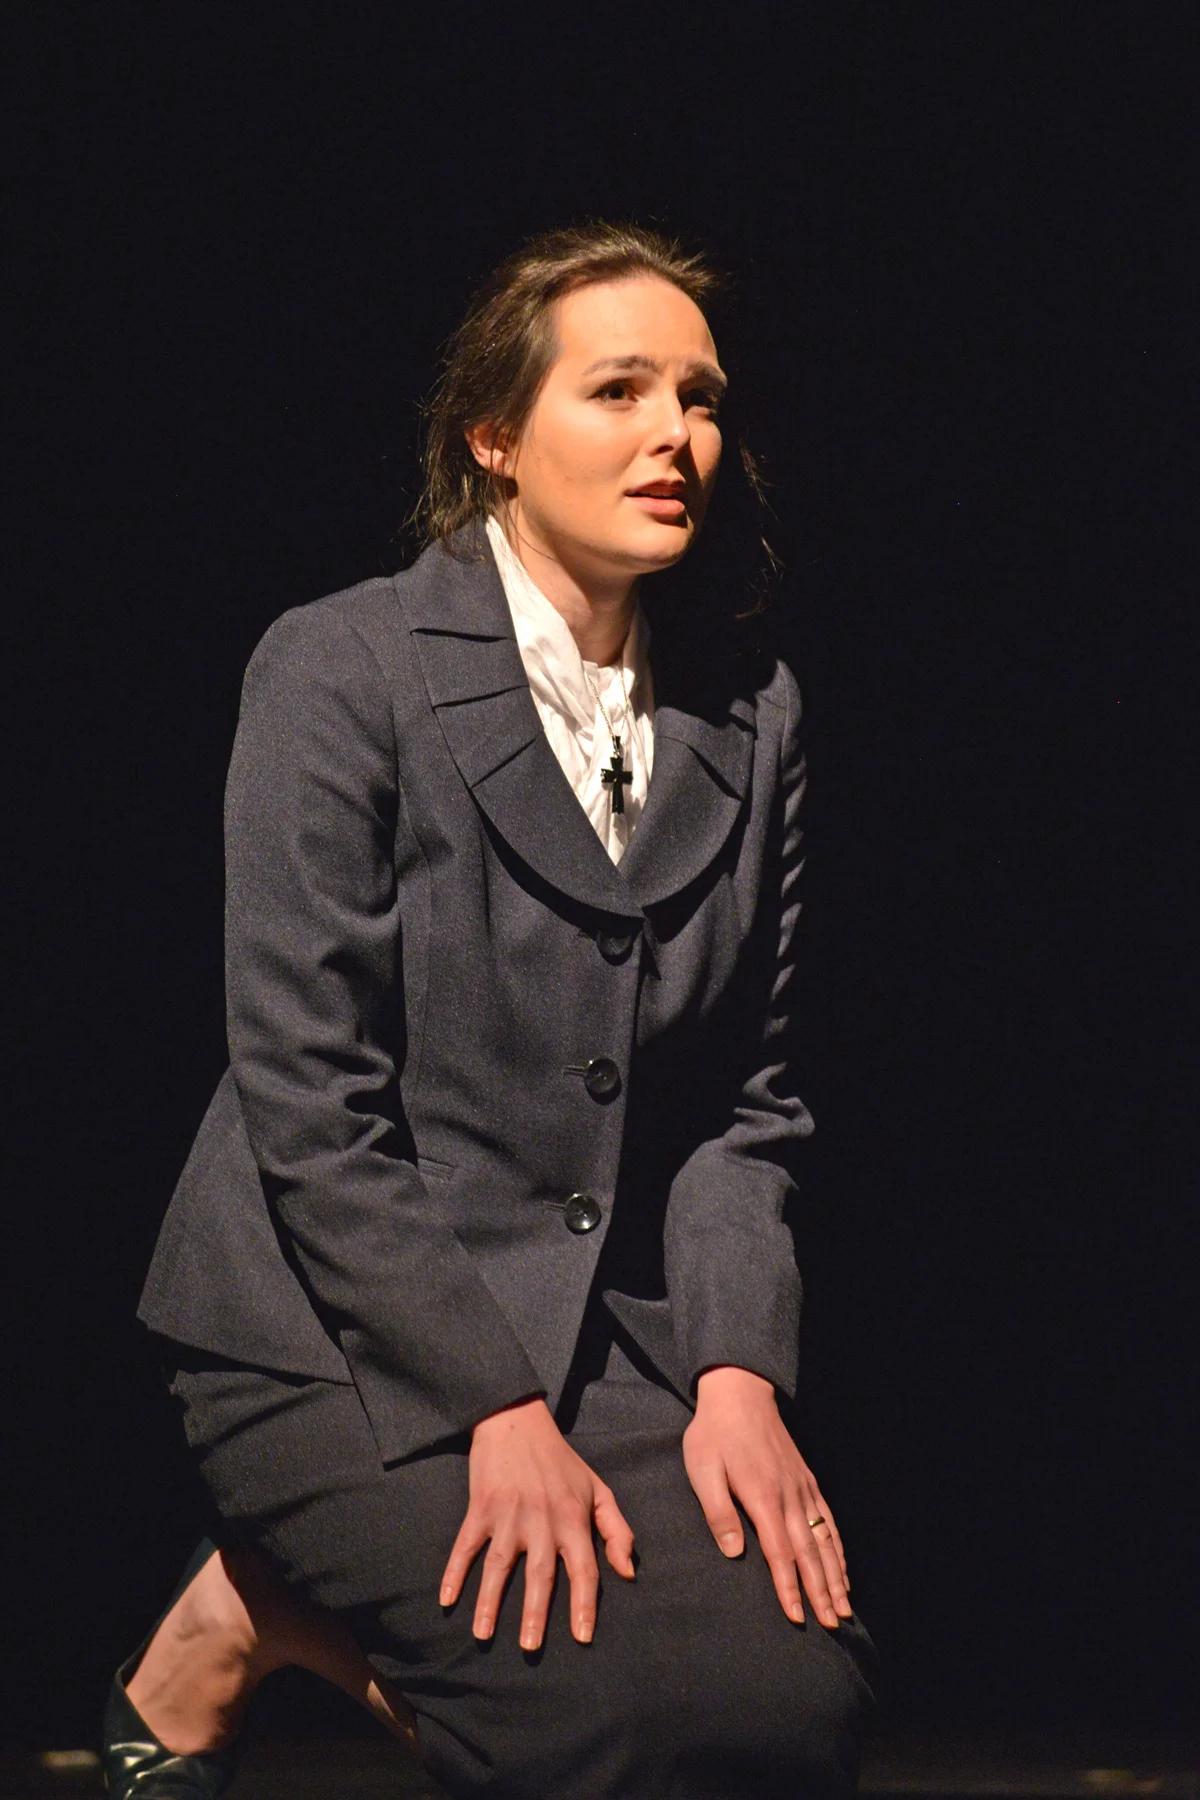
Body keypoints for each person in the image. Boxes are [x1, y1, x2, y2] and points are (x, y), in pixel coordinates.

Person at [108, 222, 875, 1800]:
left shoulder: (754, 709)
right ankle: (248, 1607)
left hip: (610, 1328)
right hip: (329, 1325)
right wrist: (490, 1408)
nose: (678, 433)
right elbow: (309, 1101)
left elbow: (750, 1109)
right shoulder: (342, 668)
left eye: (702, 397)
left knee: (791, 1714)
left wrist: (740, 1372)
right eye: (621, 390)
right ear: (497, 437)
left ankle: (278, 1607)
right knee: (581, 1734)